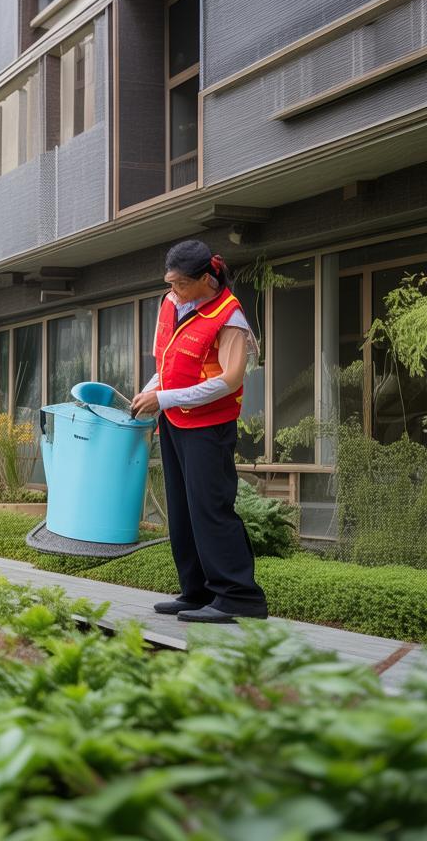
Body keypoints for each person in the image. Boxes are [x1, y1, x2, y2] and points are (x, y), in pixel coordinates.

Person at [131, 239, 268, 624]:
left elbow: (230, 379)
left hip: (209, 427)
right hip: (174, 422)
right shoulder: (174, 303)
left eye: (179, 284)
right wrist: (149, 392)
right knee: (182, 511)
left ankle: (239, 596)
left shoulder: (229, 317)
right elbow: (170, 362)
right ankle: (196, 591)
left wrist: (165, 396)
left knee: (211, 509)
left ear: (207, 279)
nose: (172, 291)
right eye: (169, 282)